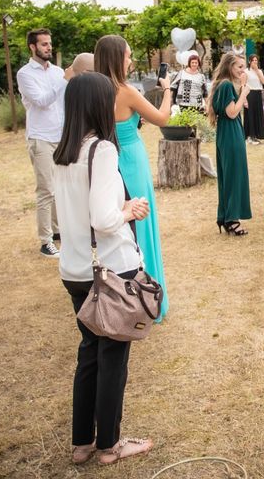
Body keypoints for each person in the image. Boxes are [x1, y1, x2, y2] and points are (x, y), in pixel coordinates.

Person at [53, 72, 153, 466]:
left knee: (89, 354)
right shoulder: (102, 150)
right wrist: (128, 210)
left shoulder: (63, 151)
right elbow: (103, 218)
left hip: (76, 269)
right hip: (111, 269)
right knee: (113, 358)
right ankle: (110, 444)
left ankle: (82, 442)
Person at [94, 34, 170, 318]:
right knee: (142, 227)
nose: (131, 60)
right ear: (117, 58)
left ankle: (119, 297)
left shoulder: (95, 91)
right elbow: (162, 118)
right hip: (132, 162)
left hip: (108, 163)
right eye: (128, 55)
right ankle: (148, 298)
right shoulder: (124, 90)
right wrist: (167, 91)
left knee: (119, 230)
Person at [16, 28, 70, 258]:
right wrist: (65, 80)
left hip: (61, 136)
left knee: (62, 187)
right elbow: (42, 101)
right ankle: (45, 241)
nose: (49, 47)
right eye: (44, 44)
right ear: (33, 47)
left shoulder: (58, 72)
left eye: (50, 43)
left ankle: (59, 232)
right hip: (41, 138)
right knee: (46, 190)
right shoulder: (25, 74)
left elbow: (65, 103)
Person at [209, 52, 252, 236]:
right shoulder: (226, 85)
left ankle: (227, 216)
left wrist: (241, 92)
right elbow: (232, 112)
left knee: (232, 174)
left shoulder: (224, 85)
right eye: (239, 67)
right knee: (233, 175)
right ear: (229, 67)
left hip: (229, 132)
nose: (243, 70)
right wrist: (244, 93)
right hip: (230, 132)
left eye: (244, 67)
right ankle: (231, 219)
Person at [243, 54, 264, 144]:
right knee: (250, 115)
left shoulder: (260, 71)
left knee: (258, 114)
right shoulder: (246, 71)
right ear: (249, 62)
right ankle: (249, 136)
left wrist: (257, 71)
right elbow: (243, 84)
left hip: (258, 93)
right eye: (253, 60)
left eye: (256, 60)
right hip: (250, 93)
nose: (255, 62)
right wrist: (244, 98)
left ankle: (257, 135)